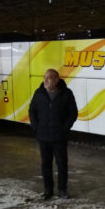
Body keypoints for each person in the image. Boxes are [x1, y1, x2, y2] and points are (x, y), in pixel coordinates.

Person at [29, 69, 78, 200]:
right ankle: (48, 190)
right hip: (43, 136)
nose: (46, 80)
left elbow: (73, 113)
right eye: (45, 77)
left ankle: (62, 190)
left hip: (59, 137)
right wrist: (36, 128)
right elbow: (32, 111)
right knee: (46, 165)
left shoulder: (66, 94)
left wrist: (64, 129)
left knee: (62, 164)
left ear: (56, 80)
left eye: (49, 77)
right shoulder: (39, 93)